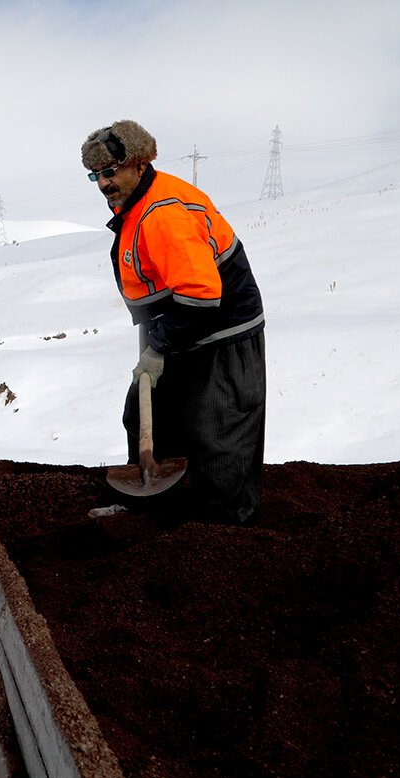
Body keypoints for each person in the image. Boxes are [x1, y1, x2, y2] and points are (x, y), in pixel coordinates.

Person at [82, 119, 267, 523]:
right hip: (179, 326)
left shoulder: (164, 215)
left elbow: (202, 295)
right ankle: (149, 505)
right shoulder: (133, 204)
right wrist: (156, 338)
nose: (102, 184)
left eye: (110, 172)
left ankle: (220, 529)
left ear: (139, 164)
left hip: (222, 332)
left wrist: (159, 346)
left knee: (216, 432)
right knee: (145, 412)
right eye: (95, 175)